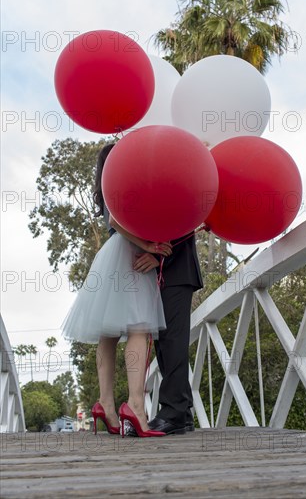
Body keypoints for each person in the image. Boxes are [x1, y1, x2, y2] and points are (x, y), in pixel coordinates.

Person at [62, 143, 172, 438]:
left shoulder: (106, 184)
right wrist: (149, 245)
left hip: (110, 256)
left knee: (108, 334)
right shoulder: (124, 177)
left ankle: (106, 405)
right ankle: (135, 407)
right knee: (139, 329)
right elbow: (115, 221)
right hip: (130, 252)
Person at [133, 232, 203, 435]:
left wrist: (160, 256)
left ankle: (173, 413)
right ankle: (183, 413)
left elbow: (185, 224)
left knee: (173, 342)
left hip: (177, 268)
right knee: (164, 344)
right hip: (163, 273)